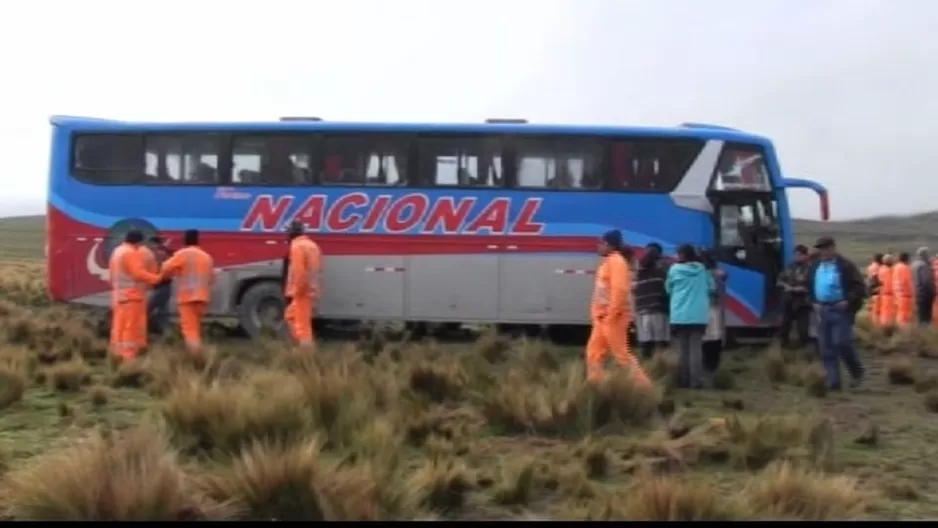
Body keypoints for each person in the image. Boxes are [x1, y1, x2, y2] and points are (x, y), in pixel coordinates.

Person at [585, 229, 651, 385]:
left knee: (621, 355)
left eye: (601, 243)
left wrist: (611, 314)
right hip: (604, 317)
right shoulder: (610, 262)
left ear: (609, 245)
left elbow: (620, 290)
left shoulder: (616, 262)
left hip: (612, 317)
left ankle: (644, 389)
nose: (598, 246)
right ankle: (594, 385)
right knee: (594, 353)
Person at [806, 236, 866, 391]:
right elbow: (810, 285)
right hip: (822, 310)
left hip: (840, 310)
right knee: (826, 348)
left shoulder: (845, 266)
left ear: (833, 248)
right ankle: (833, 382)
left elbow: (859, 287)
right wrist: (813, 301)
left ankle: (857, 372)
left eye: (825, 248)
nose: (823, 252)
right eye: (820, 249)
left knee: (841, 342)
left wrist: (847, 300)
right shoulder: (815, 266)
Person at [665, 244, 715, 389]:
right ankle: (695, 382)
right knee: (695, 350)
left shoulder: (674, 270)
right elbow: (711, 288)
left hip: (679, 316)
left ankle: (682, 381)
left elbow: (668, 289)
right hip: (698, 316)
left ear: (681, 255)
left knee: (681, 350)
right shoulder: (702, 270)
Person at [108, 229, 161, 362]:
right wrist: (156, 279)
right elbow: (138, 274)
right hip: (132, 296)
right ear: (138, 242)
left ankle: (116, 352)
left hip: (119, 295)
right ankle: (128, 357)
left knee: (119, 325)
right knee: (131, 327)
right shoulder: (131, 253)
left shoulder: (117, 251)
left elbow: (112, 274)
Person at [159, 229, 215, 356]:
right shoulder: (206, 257)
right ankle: (199, 351)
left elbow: (165, 267)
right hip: (202, 298)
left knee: (190, 330)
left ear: (184, 240)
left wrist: (165, 276)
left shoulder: (183, 254)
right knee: (196, 327)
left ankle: (195, 356)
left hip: (187, 299)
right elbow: (212, 279)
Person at [283, 220, 323, 349]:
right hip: (311, 289)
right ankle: (299, 346)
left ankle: (306, 354)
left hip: (302, 291)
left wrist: (297, 291)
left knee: (302, 326)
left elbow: (299, 272)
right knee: (290, 315)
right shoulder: (312, 245)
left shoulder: (297, 247)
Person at [632, 242, 670, 359]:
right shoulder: (664, 269)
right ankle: (659, 364)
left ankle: (647, 366)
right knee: (660, 340)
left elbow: (634, 289)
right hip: (659, 308)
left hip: (642, 309)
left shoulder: (639, 269)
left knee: (645, 339)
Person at [777, 245, 812, 348]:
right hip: (789, 301)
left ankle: (805, 348)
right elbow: (780, 280)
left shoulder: (810, 269)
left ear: (805, 256)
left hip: (803, 302)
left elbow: (810, 287)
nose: (797, 257)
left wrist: (794, 289)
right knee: (784, 326)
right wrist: (785, 285)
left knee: (803, 329)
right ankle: (784, 346)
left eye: (800, 255)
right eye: (795, 255)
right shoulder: (790, 266)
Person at [700, 249, 727, 380]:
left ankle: (706, 366)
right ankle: (712, 366)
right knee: (716, 337)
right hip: (715, 308)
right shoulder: (719, 273)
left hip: (703, 308)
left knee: (705, 337)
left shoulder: (700, 273)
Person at [146, 235, 175, 335]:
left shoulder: (158, 254)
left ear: (154, 244)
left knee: (147, 308)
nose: (149, 247)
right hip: (165, 286)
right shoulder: (164, 252)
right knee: (163, 311)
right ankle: (165, 333)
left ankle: (141, 330)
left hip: (161, 286)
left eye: (150, 244)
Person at [911, 247, 936, 326]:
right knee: (926, 317)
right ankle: (925, 334)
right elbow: (926, 281)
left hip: (917, 292)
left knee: (920, 316)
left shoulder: (914, 264)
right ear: (924, 255)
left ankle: (920, 333)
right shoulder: (923, 265)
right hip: (925, 294)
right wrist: (932, 292)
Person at [893, 252, 913, 329]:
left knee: (900, 314)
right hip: (905, 294)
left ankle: (899, 329)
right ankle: (904, 331)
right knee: (905, 316)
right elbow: (908, 281)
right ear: (906, 259)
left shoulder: (896, 267)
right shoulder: (905, 268)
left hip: (897, 294)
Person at [877, 254, 896, 329]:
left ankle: (884, 327)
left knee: (884, 312)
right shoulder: (889, 270)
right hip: (889, 294)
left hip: (883, 294)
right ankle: (887, 328)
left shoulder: (881, 269)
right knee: (888, 313)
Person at [865, 253, 883, 324]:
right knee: (877, 307)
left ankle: (871, 321)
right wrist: (880, 284)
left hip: (869, 287)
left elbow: (868, 277)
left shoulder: (870, 266)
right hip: (874, 288)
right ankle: (876, 322)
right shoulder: (877, 267)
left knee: (872, 306)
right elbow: (875, 276)